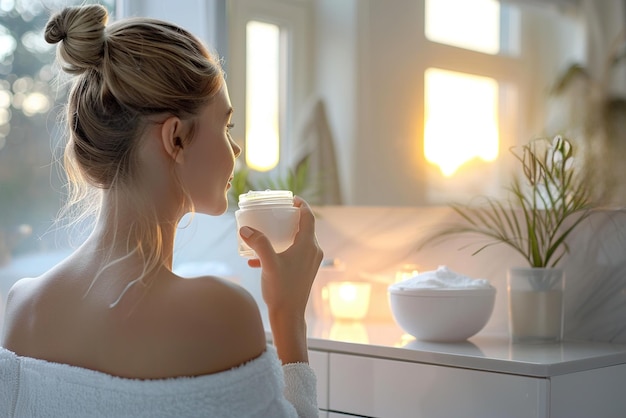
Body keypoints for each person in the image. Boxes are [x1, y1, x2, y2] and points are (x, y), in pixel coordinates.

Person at [0, 4, 323, 417]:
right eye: (226, 127)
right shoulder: (221, 313)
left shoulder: (23, 307)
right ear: (176, 139)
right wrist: (288, 313)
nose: (235, 149)